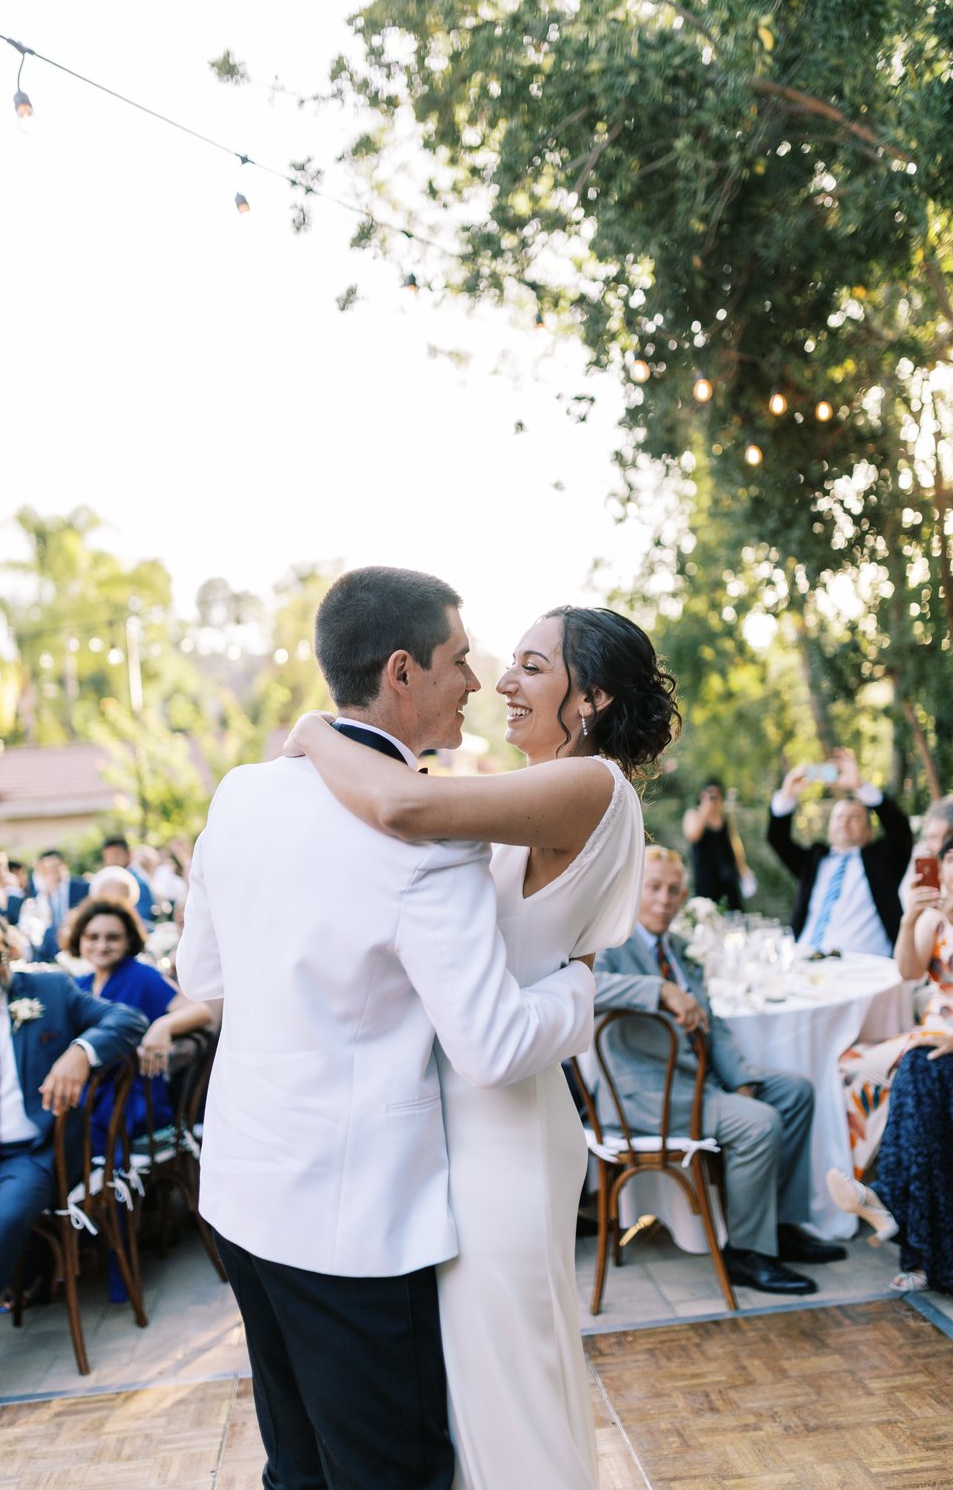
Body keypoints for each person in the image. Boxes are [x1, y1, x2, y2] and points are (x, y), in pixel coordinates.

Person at [178, 567, 605, 1490]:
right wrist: (575, 996)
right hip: (353, 1225)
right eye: (460, 660)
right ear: (403, 673)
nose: (476, 681)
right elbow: (489, 1046)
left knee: (295, 1468)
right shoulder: (430, 846)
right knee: (390, 1472)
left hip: (243, 1191)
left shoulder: (241, 796)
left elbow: (202, 979)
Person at [287, 593, 678, 1490]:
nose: (504, 679)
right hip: (470, 1110)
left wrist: (314, 732)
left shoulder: (590, 784)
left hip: (504, 1123)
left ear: (595, 702)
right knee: (481, 1379)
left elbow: (402, 809)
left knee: (513, 1377)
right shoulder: (538, 799)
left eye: (534, 667)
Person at [592, 846, 846, 1296]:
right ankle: (746, 1252)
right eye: (653, 887)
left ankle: (779, 1226)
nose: (664, 899)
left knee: (794, 1092)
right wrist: (660, 989)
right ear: (632, 889)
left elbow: (715, 1028)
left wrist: (744, 1081)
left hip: (697, 1083)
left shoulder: (677, 950)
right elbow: (585, 988)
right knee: (759, 1122)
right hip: (648, 1097)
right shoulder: (609, 943)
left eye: (674, 890)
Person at [0, 905, 147, 1383]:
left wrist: (81, 1051)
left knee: (3, 1221)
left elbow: (128, 1020)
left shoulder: (50, 989)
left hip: (28, 1157)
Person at [837, 831, 953, 1179]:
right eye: (950, 859)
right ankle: (865, 1177)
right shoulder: (933, 919)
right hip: (934, 1025)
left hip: (943, 1037)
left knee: (904, 1073)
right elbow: (908, 970)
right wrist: (909, 920)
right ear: (941, 869)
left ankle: (886, 1190)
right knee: (848, 1063)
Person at [60, 899, 212, 1145]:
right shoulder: (80, 985)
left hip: (129, 1102)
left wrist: (163, 1026)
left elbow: (201, 1011)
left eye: (113, 938)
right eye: (92, 937)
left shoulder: (142, 976)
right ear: (79, 939)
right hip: (84, 1096)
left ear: (128, 940)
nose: (102, 945)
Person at [828, 1007, 953, 1292]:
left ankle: (888, 1204)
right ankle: (894, 1210)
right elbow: (909, 971)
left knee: (920, 1068)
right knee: (916, 1066)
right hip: (938, 1032)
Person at [767, 749, 912, 956]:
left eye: (854, 817)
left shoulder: (882, 861)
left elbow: (899, 828)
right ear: (829, 827)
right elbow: (777, 839)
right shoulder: (815, 861)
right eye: (838, 817)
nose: (844, 821)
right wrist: (787, 794)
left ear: (869, 831)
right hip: (805, 958)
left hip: (862, 966)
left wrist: (858, 785)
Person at [682, 779, 753, 910]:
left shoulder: (725, 818)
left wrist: (743, 868)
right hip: (705, 877)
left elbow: (734, 844)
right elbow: (693, 835)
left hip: (728, 876)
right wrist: (705, 812)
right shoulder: (693, 814)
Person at [25, 850, 90, 963]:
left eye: (55, 866)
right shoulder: (39, 892)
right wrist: (45, 894)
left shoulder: (82, 887)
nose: (52, 871)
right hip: (50, 941)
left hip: (75, 935)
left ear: (64, 865)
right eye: (47, 868)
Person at [898, 795, 953, 911]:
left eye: (933, 838)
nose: (927, 846)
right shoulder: (921, 858)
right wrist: (914, 910)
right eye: (927, 838)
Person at [101, 838, 155, 923]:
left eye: (117, 855)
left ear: (129, 854)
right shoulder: (104, 881)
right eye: (108, 856)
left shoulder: (139, 884)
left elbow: (141, 919)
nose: (112, 860)